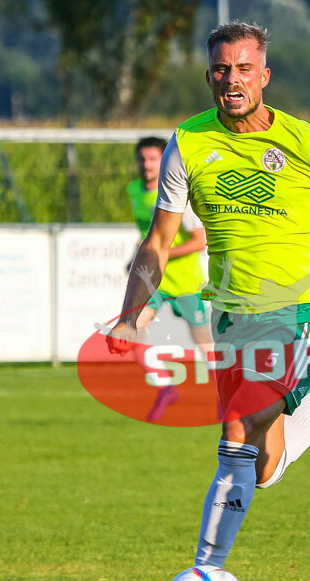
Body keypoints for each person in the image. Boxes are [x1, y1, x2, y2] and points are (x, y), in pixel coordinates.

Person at [107, 22, 310, 571]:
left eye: (242, 69)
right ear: (209, 75)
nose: (231, 80)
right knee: (263, 465)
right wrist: (129, 314)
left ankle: (203, 579)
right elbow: (159, 241)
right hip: (229, 314)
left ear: (263, 75)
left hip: (297, 310)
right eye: (220, 69)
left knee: (240, 425)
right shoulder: (187, 143)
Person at [128, 136, 211, 421]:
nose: (147, 164)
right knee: (134, 330)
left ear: (164, 161)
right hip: (154, 282)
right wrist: (138, 257)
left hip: (186, 283)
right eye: (142, 158)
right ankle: (165, 388)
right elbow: (148, 236)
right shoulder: (134, 191)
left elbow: (199, 241)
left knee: (206, 345)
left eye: (153, 159)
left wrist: (161, 253)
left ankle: (230, 394)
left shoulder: (176, 198)